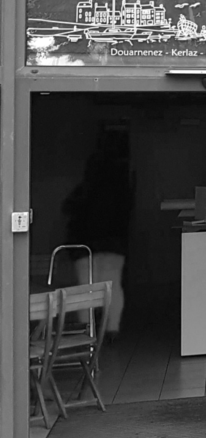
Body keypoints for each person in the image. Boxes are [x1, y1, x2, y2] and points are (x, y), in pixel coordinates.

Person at [61, 141, 132, 339]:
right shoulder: (121, 191)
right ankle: (112, 329)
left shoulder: (84, 189)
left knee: (86, 289)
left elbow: (67, 208)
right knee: (113, 286)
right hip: (113, 245)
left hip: (84, 245)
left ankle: (87, 332)